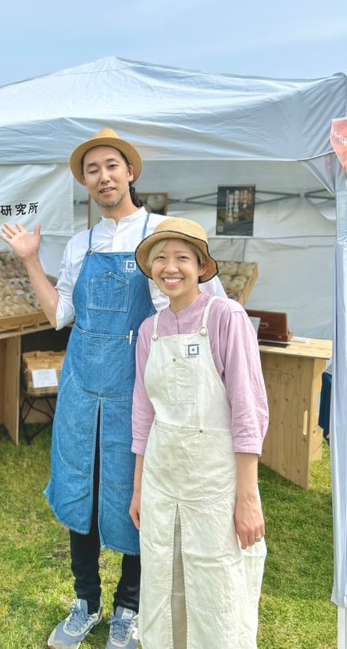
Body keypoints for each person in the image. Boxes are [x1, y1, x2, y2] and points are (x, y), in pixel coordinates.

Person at [0, 129, 226, 649]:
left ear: (131, 173)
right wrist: (31, 259)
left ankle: (128, 606)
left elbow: (210, 301)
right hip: (83, 386)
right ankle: (86, 601)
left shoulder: (162, 235)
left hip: (140, 387)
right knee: (80, 487)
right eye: (92, 170)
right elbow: (60, 314)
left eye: (112, 166)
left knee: (135, 494)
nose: (103, 177)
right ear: (85, 182)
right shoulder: (81, 245)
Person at [129, 217, 269, 648]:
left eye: (182, 258)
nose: (170, 268)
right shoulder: (151, 330)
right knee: (162, 577)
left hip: (214, 483)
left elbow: (249, 409)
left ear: (202, 266)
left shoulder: (225, 316)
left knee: (217, 582)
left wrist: (247, 497)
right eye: (160, 259)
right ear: (151, 269)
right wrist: (138, 488)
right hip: (162, 479)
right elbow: (143, 414)